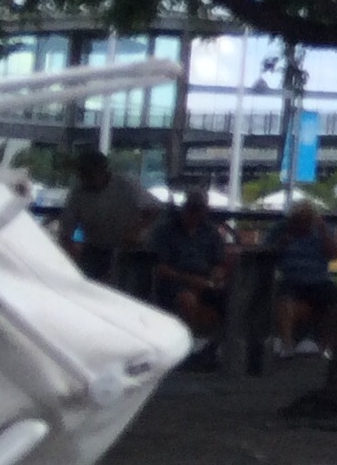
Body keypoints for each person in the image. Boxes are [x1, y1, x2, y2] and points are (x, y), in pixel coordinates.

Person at [147, 186, 234, 371]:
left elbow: (219, 262)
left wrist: (216, 275)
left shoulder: (210, 231)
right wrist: (189, 279)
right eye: (192, 208)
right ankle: (189, 348)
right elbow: (160, 268)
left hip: (206, 281)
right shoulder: (165, 230)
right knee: (187, 299)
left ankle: (215, 347)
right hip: (174, 282)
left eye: (199, 209)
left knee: (232, 298)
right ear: (185, 207)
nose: (195, 214)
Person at [54, 147, 160, 286]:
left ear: (102, 170)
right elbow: (66, 230)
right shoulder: (78, 193)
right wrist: (72, 253)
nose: (86, 177)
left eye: (90, 173)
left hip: (129, 250)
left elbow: (154, 208)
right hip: (95, 250)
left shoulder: (127, 185)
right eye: (82, 173)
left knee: (127, 286)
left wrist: (137, 230)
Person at [264, 200, 337, 359]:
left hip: (319, 278)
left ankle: (325, 347)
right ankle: (287, 345)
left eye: (305, 222)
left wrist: (324, 233)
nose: (301, 226)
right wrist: (280, 245)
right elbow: (265, 255)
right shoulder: (280, 229)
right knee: (284, 300)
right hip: (291, 278)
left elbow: (334, 254)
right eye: (298, 221)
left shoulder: (322, 229)